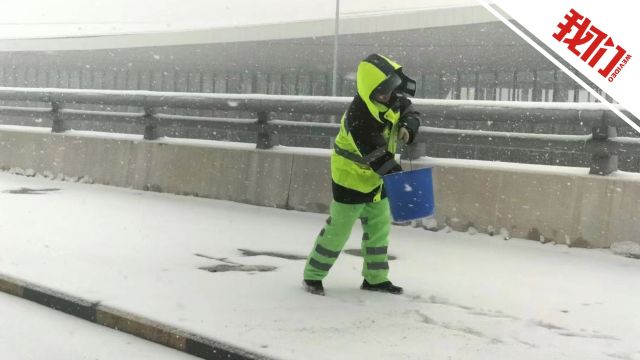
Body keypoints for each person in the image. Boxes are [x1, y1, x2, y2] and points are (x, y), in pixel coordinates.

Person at [302, 54, 421, 296]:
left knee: (379, 232)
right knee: (338, 232)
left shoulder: (392, 99)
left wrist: (409, 127)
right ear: (370, 90)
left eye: (390, 89)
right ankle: (313, 276)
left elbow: (411, 112)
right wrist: (399, 179)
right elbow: (374, 152)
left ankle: (375, 280)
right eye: (381, 92)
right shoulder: (359, 114)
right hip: (351, 179)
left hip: (378, 180)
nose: (387, 95)